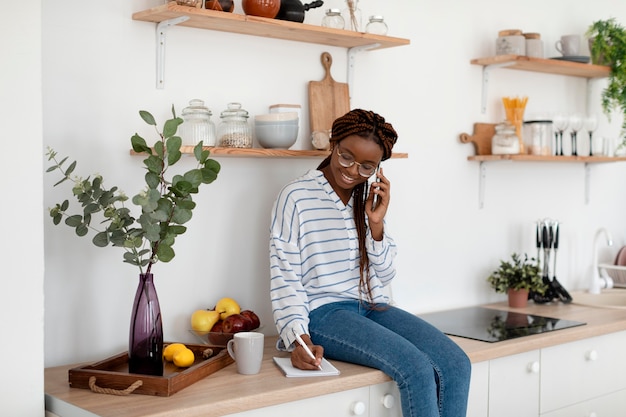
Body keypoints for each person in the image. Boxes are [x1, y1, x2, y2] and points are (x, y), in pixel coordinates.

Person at [269, 109, 471, 417]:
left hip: (372, 306)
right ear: (333, 145)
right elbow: (285, 276)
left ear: (377, 169)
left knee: (457, 363)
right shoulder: (296, 196)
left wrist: (376, 224)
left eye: (366, 166)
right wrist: (298, 339)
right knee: (415, 368)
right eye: (346, 157)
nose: (352, 171)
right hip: (324, 314)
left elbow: (387, 272)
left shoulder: (368, 200)